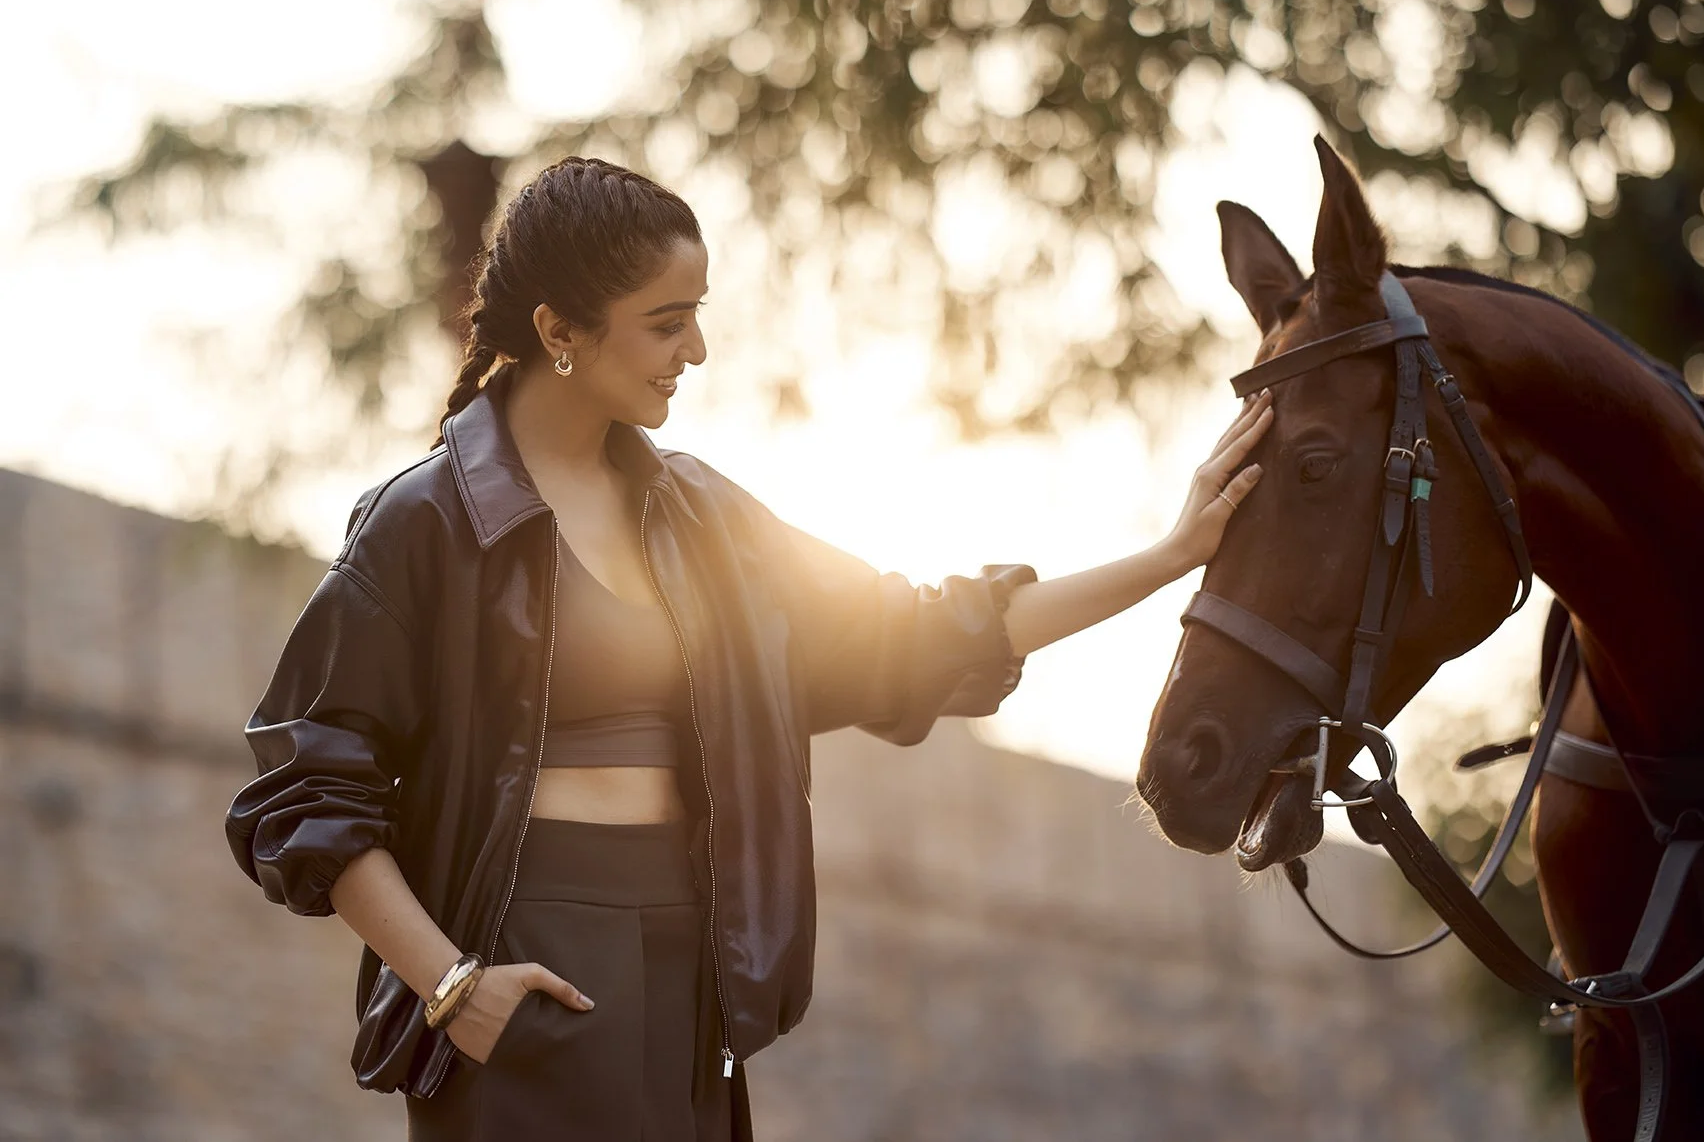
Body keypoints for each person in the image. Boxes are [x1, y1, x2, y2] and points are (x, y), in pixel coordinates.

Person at [223, 155, 1273, 1142]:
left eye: (699, 319)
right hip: (521, 954)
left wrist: (1173, 554)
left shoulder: (704, 518)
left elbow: (916, 636)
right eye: (666, 323)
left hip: (691, 957)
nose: (697, 352)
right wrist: (452, 985)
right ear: (560, 329)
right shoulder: (427, 521)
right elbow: (307, 790)